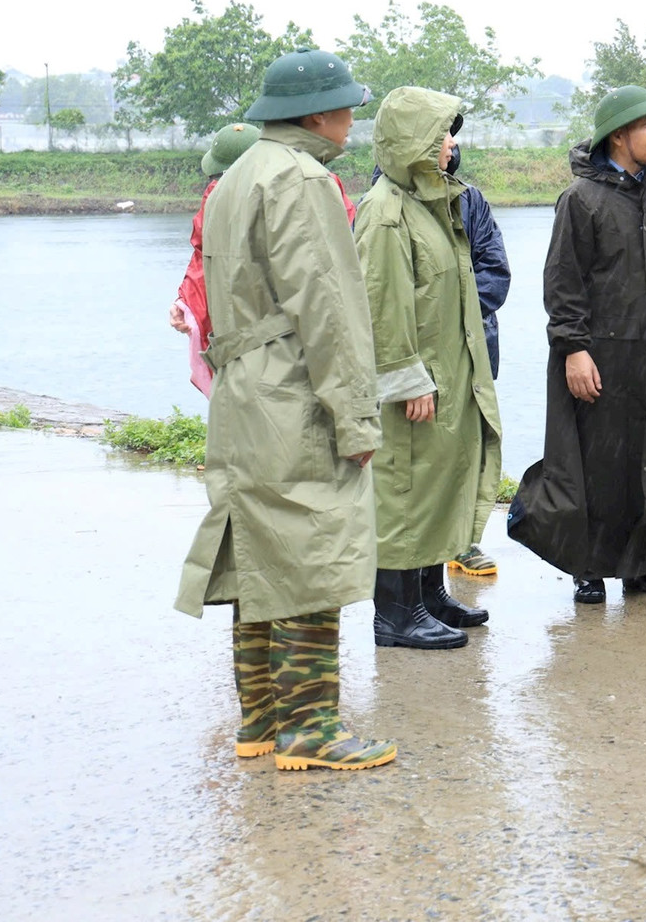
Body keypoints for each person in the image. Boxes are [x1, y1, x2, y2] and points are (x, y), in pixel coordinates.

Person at [173, 48, 394, 771]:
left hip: (242, 387)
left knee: (262, 551)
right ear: (318, 114)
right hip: (292, 386)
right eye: (346, 105)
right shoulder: (304, 179)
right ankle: (311, 729)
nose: (353, 117)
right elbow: (326, 305)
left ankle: (261, 720)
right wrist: (356, 416)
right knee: (309, 551)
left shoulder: (238, 175)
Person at [511, 85, 646, 604]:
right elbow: (562, 284)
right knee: (600, 465)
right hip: (601, 355)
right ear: (619, 135)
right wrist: (573, 349)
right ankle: (590, 567)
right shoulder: (581, 200)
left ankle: (644, 566)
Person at [354, 86, 504, 649]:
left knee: (441, 479)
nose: (452, 144)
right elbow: (380, 305)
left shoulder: (433, 204)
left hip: (450, 371)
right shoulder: (387, 213)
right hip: (416, 382)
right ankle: (394, 615)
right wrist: (406, 376)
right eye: (442, 133)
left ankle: (428, 594)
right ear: (414, 141)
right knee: (404, 488)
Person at [169, 122, 262, 396]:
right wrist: (184, 302)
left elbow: (202, 260)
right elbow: (203, 259)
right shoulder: (311, 190)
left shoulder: (216, 201)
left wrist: (186, 303)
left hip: (245, 342)